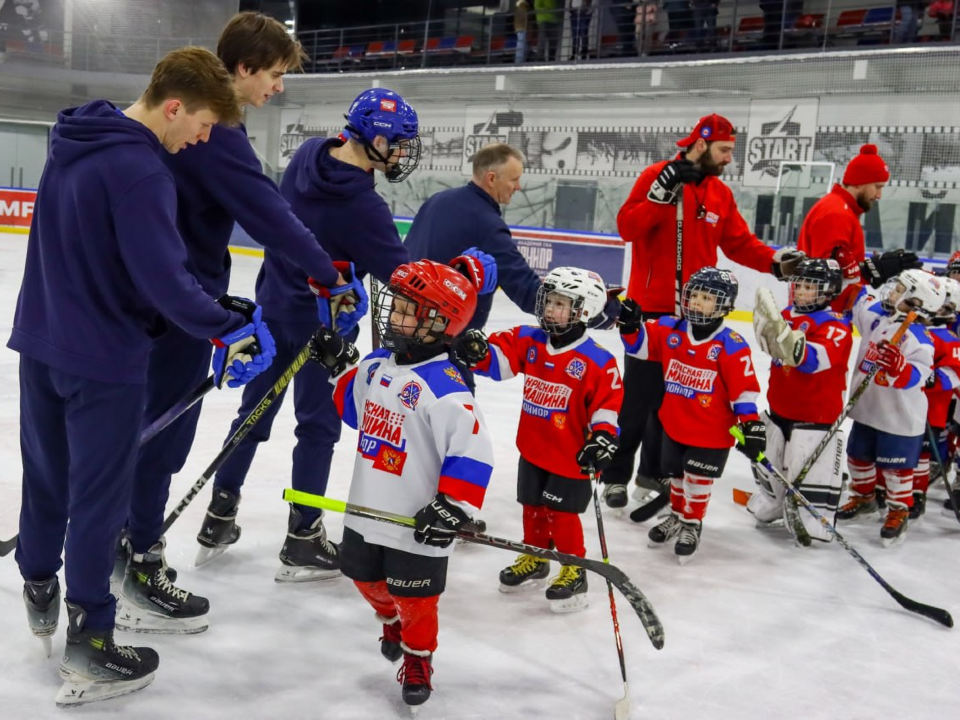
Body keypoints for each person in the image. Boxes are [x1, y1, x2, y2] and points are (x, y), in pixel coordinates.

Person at [9, 47, 275, 706]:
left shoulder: (69, 142)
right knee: (100, 500)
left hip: (43, 344)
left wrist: (212, 313)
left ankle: (39, 583)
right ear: (175, 105)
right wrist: (229, 326)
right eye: (205, 124)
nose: (204, 139)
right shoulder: (142, 171)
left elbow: (105, 258)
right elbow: (164, 282)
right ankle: (93, 639)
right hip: (103, 363)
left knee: (47, 479)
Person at [115, 12, 366, 633]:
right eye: (275, 74)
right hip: (179, 305)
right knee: (163, 436)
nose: (279, 87)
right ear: (244, 68)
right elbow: (271, 216)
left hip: (153, 296)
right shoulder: (219, 133)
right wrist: (329, 275)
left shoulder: (181, 124)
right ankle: (137, 559)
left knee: (143, 430)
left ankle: (121, 541)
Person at [193, 88, 421, 577]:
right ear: (376, 139)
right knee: (317, 429)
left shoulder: (306, 156)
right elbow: (405, 281)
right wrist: (457, 278)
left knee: (251, 418)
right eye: (398, 143)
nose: (403, 153)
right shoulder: (367, 209)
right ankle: (303, 536)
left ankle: (218, 516)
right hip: (325, 334)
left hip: (272, 311)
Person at [310, 258, 494, 710]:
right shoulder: (377, 365)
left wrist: (452, 505)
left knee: (419, 601)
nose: (394, 315)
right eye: (397, 306)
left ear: (439, 321)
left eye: (408, 309)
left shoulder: (447, 386)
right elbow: (357, 412)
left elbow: (473, 451)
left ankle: (418, 658)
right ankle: (388, 617)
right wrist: (339, 368)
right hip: (366, 505)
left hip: (416, 521)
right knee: (364, 578)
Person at [604, 113, 803, 515]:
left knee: (676, 401)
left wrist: (775, 261)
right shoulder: (656, 175)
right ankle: (614, 475)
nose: (730, 158)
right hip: (653, 311)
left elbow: (739, 243)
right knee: (638, 400)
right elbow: (628, 227)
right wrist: (661, 195)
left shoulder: (718, 194)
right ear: (702, 144)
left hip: (699, 314)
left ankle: (653, 473)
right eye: (725, 149)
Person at [473, 267, 622, 611]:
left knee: (562, 514)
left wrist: (601, 439)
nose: (550, 310)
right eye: (549, 301)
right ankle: (536, 558)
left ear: (584, 310)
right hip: (534, 447)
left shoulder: (598, 361)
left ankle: (574, 569)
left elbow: (607, 408)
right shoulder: (532, 339)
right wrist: (475, 349)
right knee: (532, 507)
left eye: (560, 304)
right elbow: (499, 360)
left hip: (573, 456)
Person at [619, 267, 764, 564]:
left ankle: (692, 523)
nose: (697, 302)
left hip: (711, 431)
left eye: (707, 298)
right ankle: (676, 515)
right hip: (674, 425)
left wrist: (751, 426)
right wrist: (631, 325)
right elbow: (639, 346)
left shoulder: (731, 344)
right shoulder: (671, 329)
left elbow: (743, 391)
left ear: (724, 304)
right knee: (676, 476)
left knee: (698, 480)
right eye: (694, 295)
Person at [748, 258, 853, 545]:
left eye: (809, 286)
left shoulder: (837, 326)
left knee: (805, 471)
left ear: (828, 291)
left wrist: (784, 339)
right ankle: (772, 502)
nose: (801, 291)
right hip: (779, 408)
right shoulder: (784, 314)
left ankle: (813, 517)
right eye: (800, 285)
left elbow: (812, 361)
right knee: (770, 461)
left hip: (814, 417)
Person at [836, 269, 941, 546]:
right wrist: (855, 270)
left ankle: (898, 511)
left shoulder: (920, 339)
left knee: (896, 471)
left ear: (916, 302)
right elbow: (856, 299)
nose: (892, 292)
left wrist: (899, 368)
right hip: (868, 409)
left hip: (898, 419)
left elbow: (918, 377)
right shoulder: (880, 318)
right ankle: (864, 498)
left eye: (899, 290)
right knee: (858, 458)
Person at [796, 143, 921, 312]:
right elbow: (823, 276)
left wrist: (869, 270)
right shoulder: (836, 213)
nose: (879, 195)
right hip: (823, 318)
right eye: (877, 187)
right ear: (859, 182)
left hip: (827, 314)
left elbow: (840, 270)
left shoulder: (841, 209)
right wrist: (870, 271)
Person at [911, 278, 960, 520]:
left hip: (933, 408)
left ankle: (917, 495)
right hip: (907, 404)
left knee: (923, 454)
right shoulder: (920, 329)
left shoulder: (949, 338)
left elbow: (954, 374)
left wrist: (933, 379)